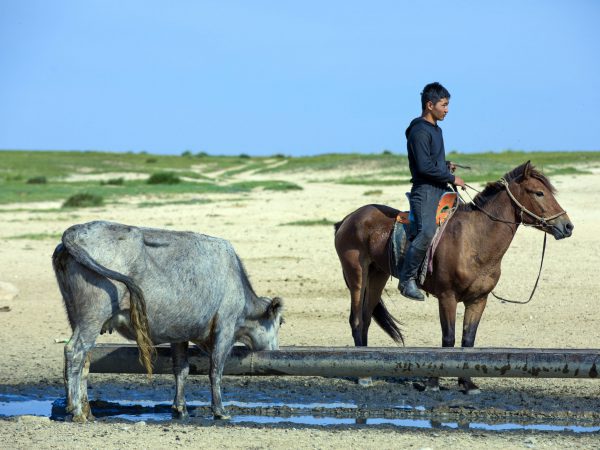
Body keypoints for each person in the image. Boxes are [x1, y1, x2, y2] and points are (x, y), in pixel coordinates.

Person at [398, 82, 465, 300]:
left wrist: (445, 166)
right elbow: (423, 167)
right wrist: (451, 177)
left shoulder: (437, 130)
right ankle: (407, 280)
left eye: (448, 105)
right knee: (427, 231)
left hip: (440, 188)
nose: (447, 109)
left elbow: (432, 162)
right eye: (444, 105)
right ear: (430, 105)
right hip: (425, 191)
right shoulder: (418, 131)